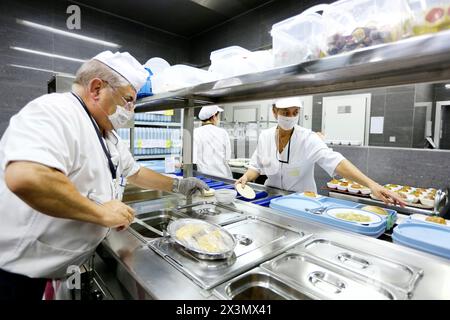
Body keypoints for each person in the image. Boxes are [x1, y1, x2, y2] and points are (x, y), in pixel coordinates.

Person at [0, 51, 208, 300]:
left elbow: (135, 172)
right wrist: (101, 212)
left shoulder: (107, 133)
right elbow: (28, 176)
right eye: (128, 100)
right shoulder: (56, 111)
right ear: (97, 88)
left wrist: (178, 184)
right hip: (17, 274)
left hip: (51, 268)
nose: (130, 110)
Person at [236, 97, 405, 206]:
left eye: (295, 113)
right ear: (274, 112)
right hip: (271, 198)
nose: (290, 117)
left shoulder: (307, 138)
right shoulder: (265, 136)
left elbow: (335, 161)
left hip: (302, 201)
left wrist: (371, 184)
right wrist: (245, 177)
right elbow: (255, 167)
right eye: (285, 113)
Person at [193, 105, 233, 179]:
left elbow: (193, 159)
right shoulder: (223, 133)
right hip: (223, 177)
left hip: (204, 178)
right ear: (214, 117)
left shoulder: (195, 132)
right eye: (218, 117)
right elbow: (228, 158)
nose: (218, 119)